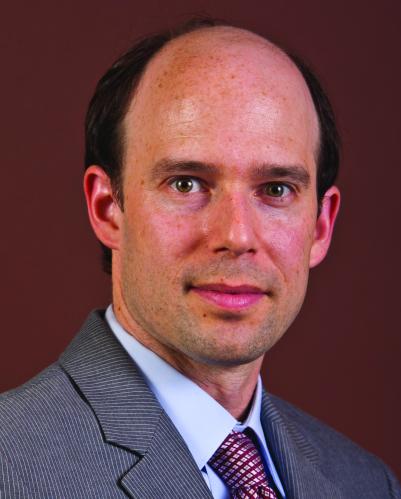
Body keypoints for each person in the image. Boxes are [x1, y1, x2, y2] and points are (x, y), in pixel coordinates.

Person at [0, 18, 399, 499]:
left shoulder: (367, 484)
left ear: (320, 225)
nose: (236, 235)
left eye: (276, 190)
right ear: (108, 209)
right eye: (186, 183)